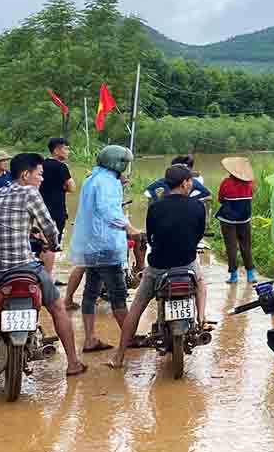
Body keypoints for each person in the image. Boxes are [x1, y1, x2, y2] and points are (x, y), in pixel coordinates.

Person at [0, 152, 86, 377]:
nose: (41, 179)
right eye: (39, 174)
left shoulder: (0, 193)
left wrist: (30, 230)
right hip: (23, 267)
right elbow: (49, 226)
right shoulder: (30, 192)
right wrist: (52, 244)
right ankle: (73, 363)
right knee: (58, 307)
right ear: (25, 174)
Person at [109, 164, 209, 369]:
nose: (191, 185)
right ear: (184, 183)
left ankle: (119, 356)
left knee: (136, 307)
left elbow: (152, 237)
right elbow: (199, 234)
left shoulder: (155, 207)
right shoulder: (197, 206)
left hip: (158, 268)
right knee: (200, 281)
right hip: (186, 265)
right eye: (190, 181)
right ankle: (202, 318)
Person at [70, 145, 141, 353]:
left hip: (92, 244)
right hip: (106, 245)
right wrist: (129, 227)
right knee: (118, 294)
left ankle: (90, 339)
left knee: (90, 293)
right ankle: (129, 339)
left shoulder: (93, 178)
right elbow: (108, 210)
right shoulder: (108, 181)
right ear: (117, 163)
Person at [38, 138, 75, 278]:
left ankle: (39, 276)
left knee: (41, 243)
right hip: (56, 210)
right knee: (51, 245)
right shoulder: (61, 167)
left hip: (38, 209)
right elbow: (72, 187)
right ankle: (46, 278)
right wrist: (62, 187)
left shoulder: (40, 164)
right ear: (57, 150)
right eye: (66, 148)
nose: (68, 152)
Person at [217, 156, 256, 284]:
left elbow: (221, 199)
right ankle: (250, 275)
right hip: (245, 219)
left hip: (228, 220)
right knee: (246, 246)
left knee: (231, 247)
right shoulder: (250, 183)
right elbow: (251, 195)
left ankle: (234, 276)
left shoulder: (226, 183)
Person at [144, 155, 211, 202]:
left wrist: (157, 200)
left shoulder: (165, 180)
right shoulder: (193, 181)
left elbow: (150, 188)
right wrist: (157, 200)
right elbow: (207, 192)